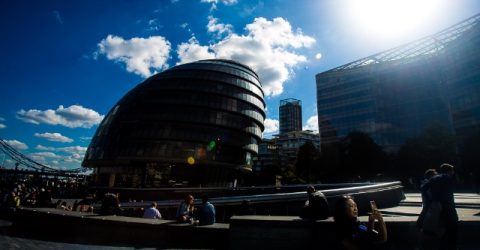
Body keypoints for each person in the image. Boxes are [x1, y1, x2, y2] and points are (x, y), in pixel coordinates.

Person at [420, 163, 458, 250]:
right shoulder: (448, 178)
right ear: (449, 171)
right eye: (452, 170)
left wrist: (430, 200)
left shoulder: (434, 178)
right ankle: (451, 246)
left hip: (437, 205)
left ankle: (441, 245)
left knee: (440, 225)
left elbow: (423, 188)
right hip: (448, 206)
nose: (453, 172)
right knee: (453, 226)